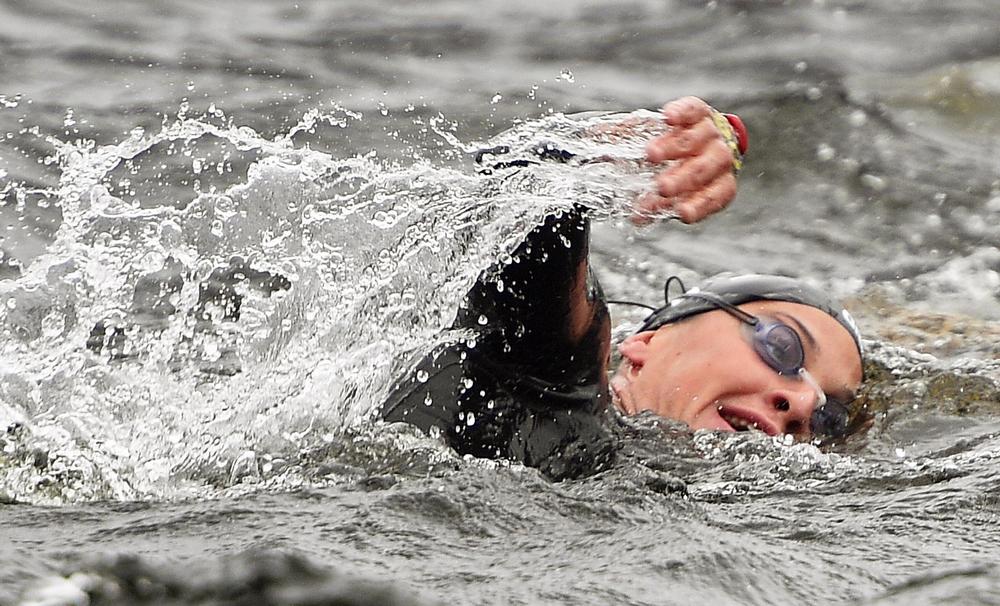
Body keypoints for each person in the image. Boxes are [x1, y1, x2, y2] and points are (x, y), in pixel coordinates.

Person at [380, 97, 865, 480]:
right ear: (644, 345)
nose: (803, 404)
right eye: (783, 346)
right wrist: (644, 149)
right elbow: (525, 186)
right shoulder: (548, 394)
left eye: (830, 417)